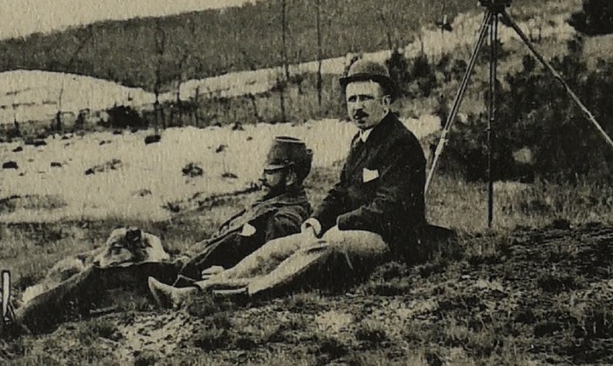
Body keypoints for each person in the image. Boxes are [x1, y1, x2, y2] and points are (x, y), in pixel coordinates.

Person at [149, 61, 426, 307]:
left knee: (323, 248)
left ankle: (243, 294)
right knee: (276, 249)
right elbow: (340, 190)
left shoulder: (400, 143)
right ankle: (196, 291)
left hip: (392, 242)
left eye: (365, 99)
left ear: (386, 103)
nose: (357, 107)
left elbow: (390, 209)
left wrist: (337, 225)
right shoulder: (361, 139)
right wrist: (315, 223)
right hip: (354, 232)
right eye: (351, 100)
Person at [14, 137, 313, 332]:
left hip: (186, 276)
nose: (263, 177)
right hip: (183, 263)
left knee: (99, 277)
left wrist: (229, 274)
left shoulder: (286, 217)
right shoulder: (270, 201)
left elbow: (272, 267)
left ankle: (22, 320)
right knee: (100, 271)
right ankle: (30, 309)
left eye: (271, 171)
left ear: (290, 176)